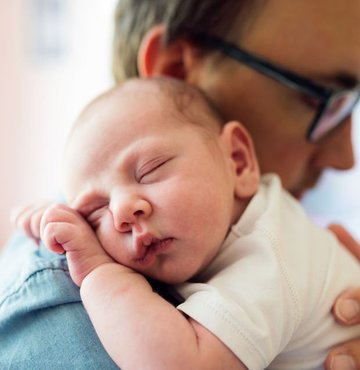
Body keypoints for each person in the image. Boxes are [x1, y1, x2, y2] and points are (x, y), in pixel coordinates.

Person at [1, 0, 360, 369]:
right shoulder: (58, 310)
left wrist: (99, 272)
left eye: (151, 170)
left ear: (237, 159)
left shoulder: (271, 249)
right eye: (317, 97)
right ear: (175, 71)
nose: (346, 157)